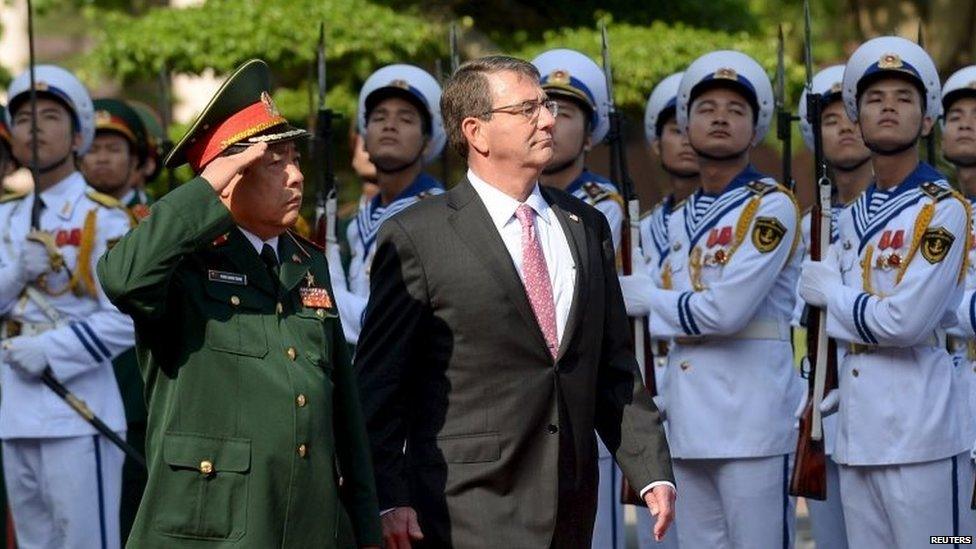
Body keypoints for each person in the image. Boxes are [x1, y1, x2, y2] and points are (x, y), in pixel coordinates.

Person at [355, 54, 674, 549]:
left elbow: (610, 363)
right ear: (476, 132)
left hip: (569, 502)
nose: (547, 119)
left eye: (545, 105)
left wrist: (650, 468)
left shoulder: (585, 226)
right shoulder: (418, 236)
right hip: (463, 506)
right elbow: (379, 383)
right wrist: (387, 497)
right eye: (527, 109)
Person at [97, 59, 381, 548]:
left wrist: (364, 525)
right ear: (230, 176)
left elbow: (343, 407)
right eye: (275, 162)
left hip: (309, 525)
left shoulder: (305, 261)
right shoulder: (181, 260)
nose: (295, 176)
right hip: (212, 527)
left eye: (296, 158)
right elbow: (123, 280)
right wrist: (207, 185)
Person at [799, 36, 976, 546]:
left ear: (926, 121)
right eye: (875, 100)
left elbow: (905, 322)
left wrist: (833, 295)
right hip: (857, 432)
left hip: (921, 432)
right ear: (856, 120)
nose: (888, 109)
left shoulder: (941, 209)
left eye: (904, 99)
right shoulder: (851, 215)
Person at [643, 50, 804, 548]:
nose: (719, 118)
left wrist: (648, 300)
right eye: (706, 107)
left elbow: (726, 311)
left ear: (755, 130)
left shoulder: (771, 205)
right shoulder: (671, 218)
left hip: (751, 419)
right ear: (686, 125)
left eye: (736, 110)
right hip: (688, 419)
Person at [0, 65, 134, 549]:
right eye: (23, 119)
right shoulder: (5, 217)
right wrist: (15, 273)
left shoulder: (103, 218)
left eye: (51, 116)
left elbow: (128, 316)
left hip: (77, 409)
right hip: (13, 408)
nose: (34, 127)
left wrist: (53, 350)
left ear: (79, 135)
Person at [531, 47, 630, 549]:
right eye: (540, 108)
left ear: (590, 134)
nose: (548, 122)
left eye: (564, 113)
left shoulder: (599, 211)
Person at [791, 64, 870, 549]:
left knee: (941, 540)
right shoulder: (808, 227)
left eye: (851, 115)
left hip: (899, 406)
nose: (842, 126)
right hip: (823, 407)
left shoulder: (920, 212)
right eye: (830, 118)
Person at [628, 70, 700, 549]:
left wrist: (649, 302)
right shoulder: (645, 226)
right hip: (655, 393)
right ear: (656, 144)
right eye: (673, 128)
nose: (686, 138)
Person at [327, 64, 446, 345]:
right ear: (364, 140)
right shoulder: (362, 219)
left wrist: (326, 294)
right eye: (379, 117)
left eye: (406, 119)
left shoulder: (437, 215)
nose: (390, 125)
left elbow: (384, 324)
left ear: (427, 142)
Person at [80, 97, 153, 544]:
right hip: (71, 394)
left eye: (114, 148)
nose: (101, 157)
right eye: (93, 146)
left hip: (139, 398)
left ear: (139, 160)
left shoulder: (158, 221)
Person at [941, 65, 976, 424]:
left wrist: (932, 307)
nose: (965, 124)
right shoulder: (933, 212)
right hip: (949, 388)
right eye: (955, 116)